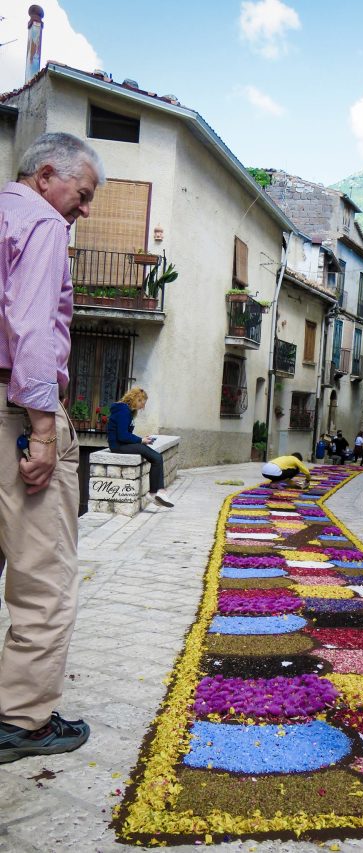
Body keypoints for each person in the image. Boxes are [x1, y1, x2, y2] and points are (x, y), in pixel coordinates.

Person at [0, 132, 104, 762]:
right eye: (83, 195)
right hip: (16, 409)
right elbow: (32, 324)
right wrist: (42, 430)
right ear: (47, 175)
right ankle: (23, 721)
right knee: (44, 577)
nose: (85, 210)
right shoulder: (41, 223)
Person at [107, 387, 174, 507]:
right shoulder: (123, 411)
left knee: (156, 457)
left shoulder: (126, 411)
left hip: (122, 444)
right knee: (156, 457)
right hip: (118, 446)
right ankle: (157, 492)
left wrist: (142, 439)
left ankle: (155, 492)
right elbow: (122, 436)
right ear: (136, 399)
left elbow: (125, 434)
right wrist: (140, 440)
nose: (142, 407)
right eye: (142, 403)